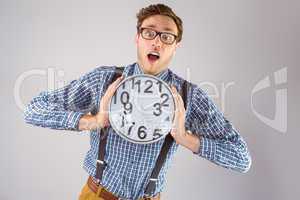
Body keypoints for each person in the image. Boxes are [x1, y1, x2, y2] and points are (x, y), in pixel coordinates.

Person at [24, 3, 251, 200]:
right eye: (149, 33)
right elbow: (34, 109)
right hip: (97, 196)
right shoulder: (104, 80)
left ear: (176, 46)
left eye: (167, 36)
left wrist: (184, 137)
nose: (157, 42)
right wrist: (94, 121)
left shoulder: (188, 97)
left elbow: (241, 159)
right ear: (137, 38)